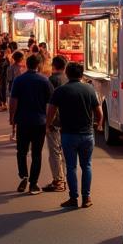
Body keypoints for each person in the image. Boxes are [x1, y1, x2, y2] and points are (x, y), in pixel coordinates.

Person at [46, 62, 102, 209]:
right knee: (87, 166)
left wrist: (48, 125)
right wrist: (98, 125)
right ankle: (86, 197)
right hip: (87, 134)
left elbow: (51, 111)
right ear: (81, 74)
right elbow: (99, 113)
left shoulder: (60, 91)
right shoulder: (89, 90)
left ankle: (73, 198)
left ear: (67, 74)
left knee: (71, 167)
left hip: (69, 134)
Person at [8, 53, 51, 194]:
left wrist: (12, 117)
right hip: (39, 122)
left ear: (26, 64)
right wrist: (49, 121)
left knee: (21, 151)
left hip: (23, 121)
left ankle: (23, 176)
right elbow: (50, 103)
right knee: (36, 153)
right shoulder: (45, 81)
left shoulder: (19, 80)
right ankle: (33, 183)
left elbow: (13, 101)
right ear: (39, 65)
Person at [42, 56, 68, 193]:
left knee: (54, 151)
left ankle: (58, 181)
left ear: (54, 66)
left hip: (55, 121)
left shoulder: (52, 80)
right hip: (68, 121)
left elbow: (50, 104)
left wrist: (48, 122)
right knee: (64, 152)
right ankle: (64, 179)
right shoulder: (68, 79)